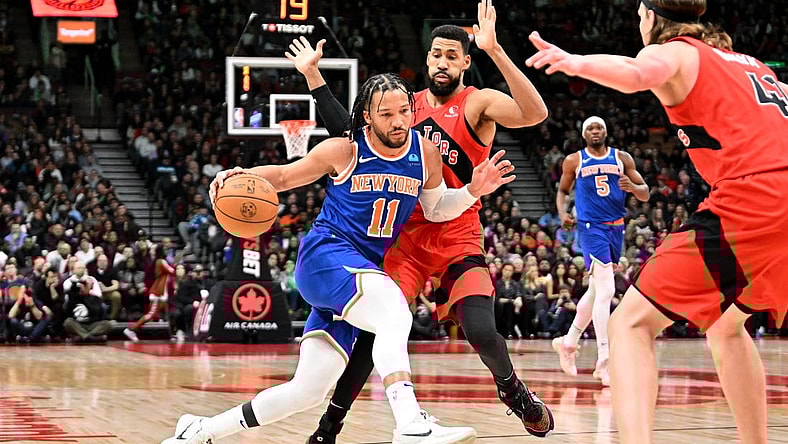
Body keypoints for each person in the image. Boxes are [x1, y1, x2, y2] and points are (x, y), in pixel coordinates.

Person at [160, 73, 514, 444]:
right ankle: (410, 422)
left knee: (307, 391)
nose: (398, 121)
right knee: (395, 309)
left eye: (405, 111)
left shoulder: (424, 153)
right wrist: (240, 175)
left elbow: (437, 209)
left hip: (362, 276)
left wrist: (473, 190)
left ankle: (199, 430)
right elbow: (282, 176)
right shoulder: (344, 150)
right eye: (387, 113)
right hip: (326, 256)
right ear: (366, 116)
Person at [288, 2, 555, 441]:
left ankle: (515, 393)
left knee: (481, 329)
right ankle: (328, 427)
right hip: (406, 239)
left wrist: (496, 50)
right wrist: (314, 77)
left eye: (453, 55)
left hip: (456, 232)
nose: (442, 62)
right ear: (426, 58)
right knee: (372, 337)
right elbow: (349, 139)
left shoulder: (478, 103)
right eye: (436, 54)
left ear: (466, 62)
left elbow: (535, 114)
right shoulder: (402, 107)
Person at [526, 1, 788, 442]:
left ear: (650, 18)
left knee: (628, 323)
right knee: (726, 325)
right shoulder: (751, 64)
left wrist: (575, 62)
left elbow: (635, 74)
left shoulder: (679, 51)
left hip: (758, 194)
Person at [549, 116, 649, 386]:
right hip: (591, 227)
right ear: (584, 134)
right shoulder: (574, 160)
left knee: (595, 292)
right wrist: (563, 213)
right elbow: (561, 191)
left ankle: (568, 343)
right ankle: (605, 359)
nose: (595, 131)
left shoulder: (622, 158)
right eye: (590, 128)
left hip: (616, 227)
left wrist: (634, 187)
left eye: (599, 128)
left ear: (606, 132)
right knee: (606, 290)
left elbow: (645, 192)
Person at [124, 245, 173, 342]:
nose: (167, 252)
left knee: (169, 312)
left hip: (163, 293)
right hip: (158, 293)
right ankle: (131, 329)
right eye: (165, 250)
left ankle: (172, 334)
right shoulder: (160, 261)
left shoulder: (160, 261)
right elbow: (172, 270)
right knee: (150, 315)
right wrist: (176, 261)